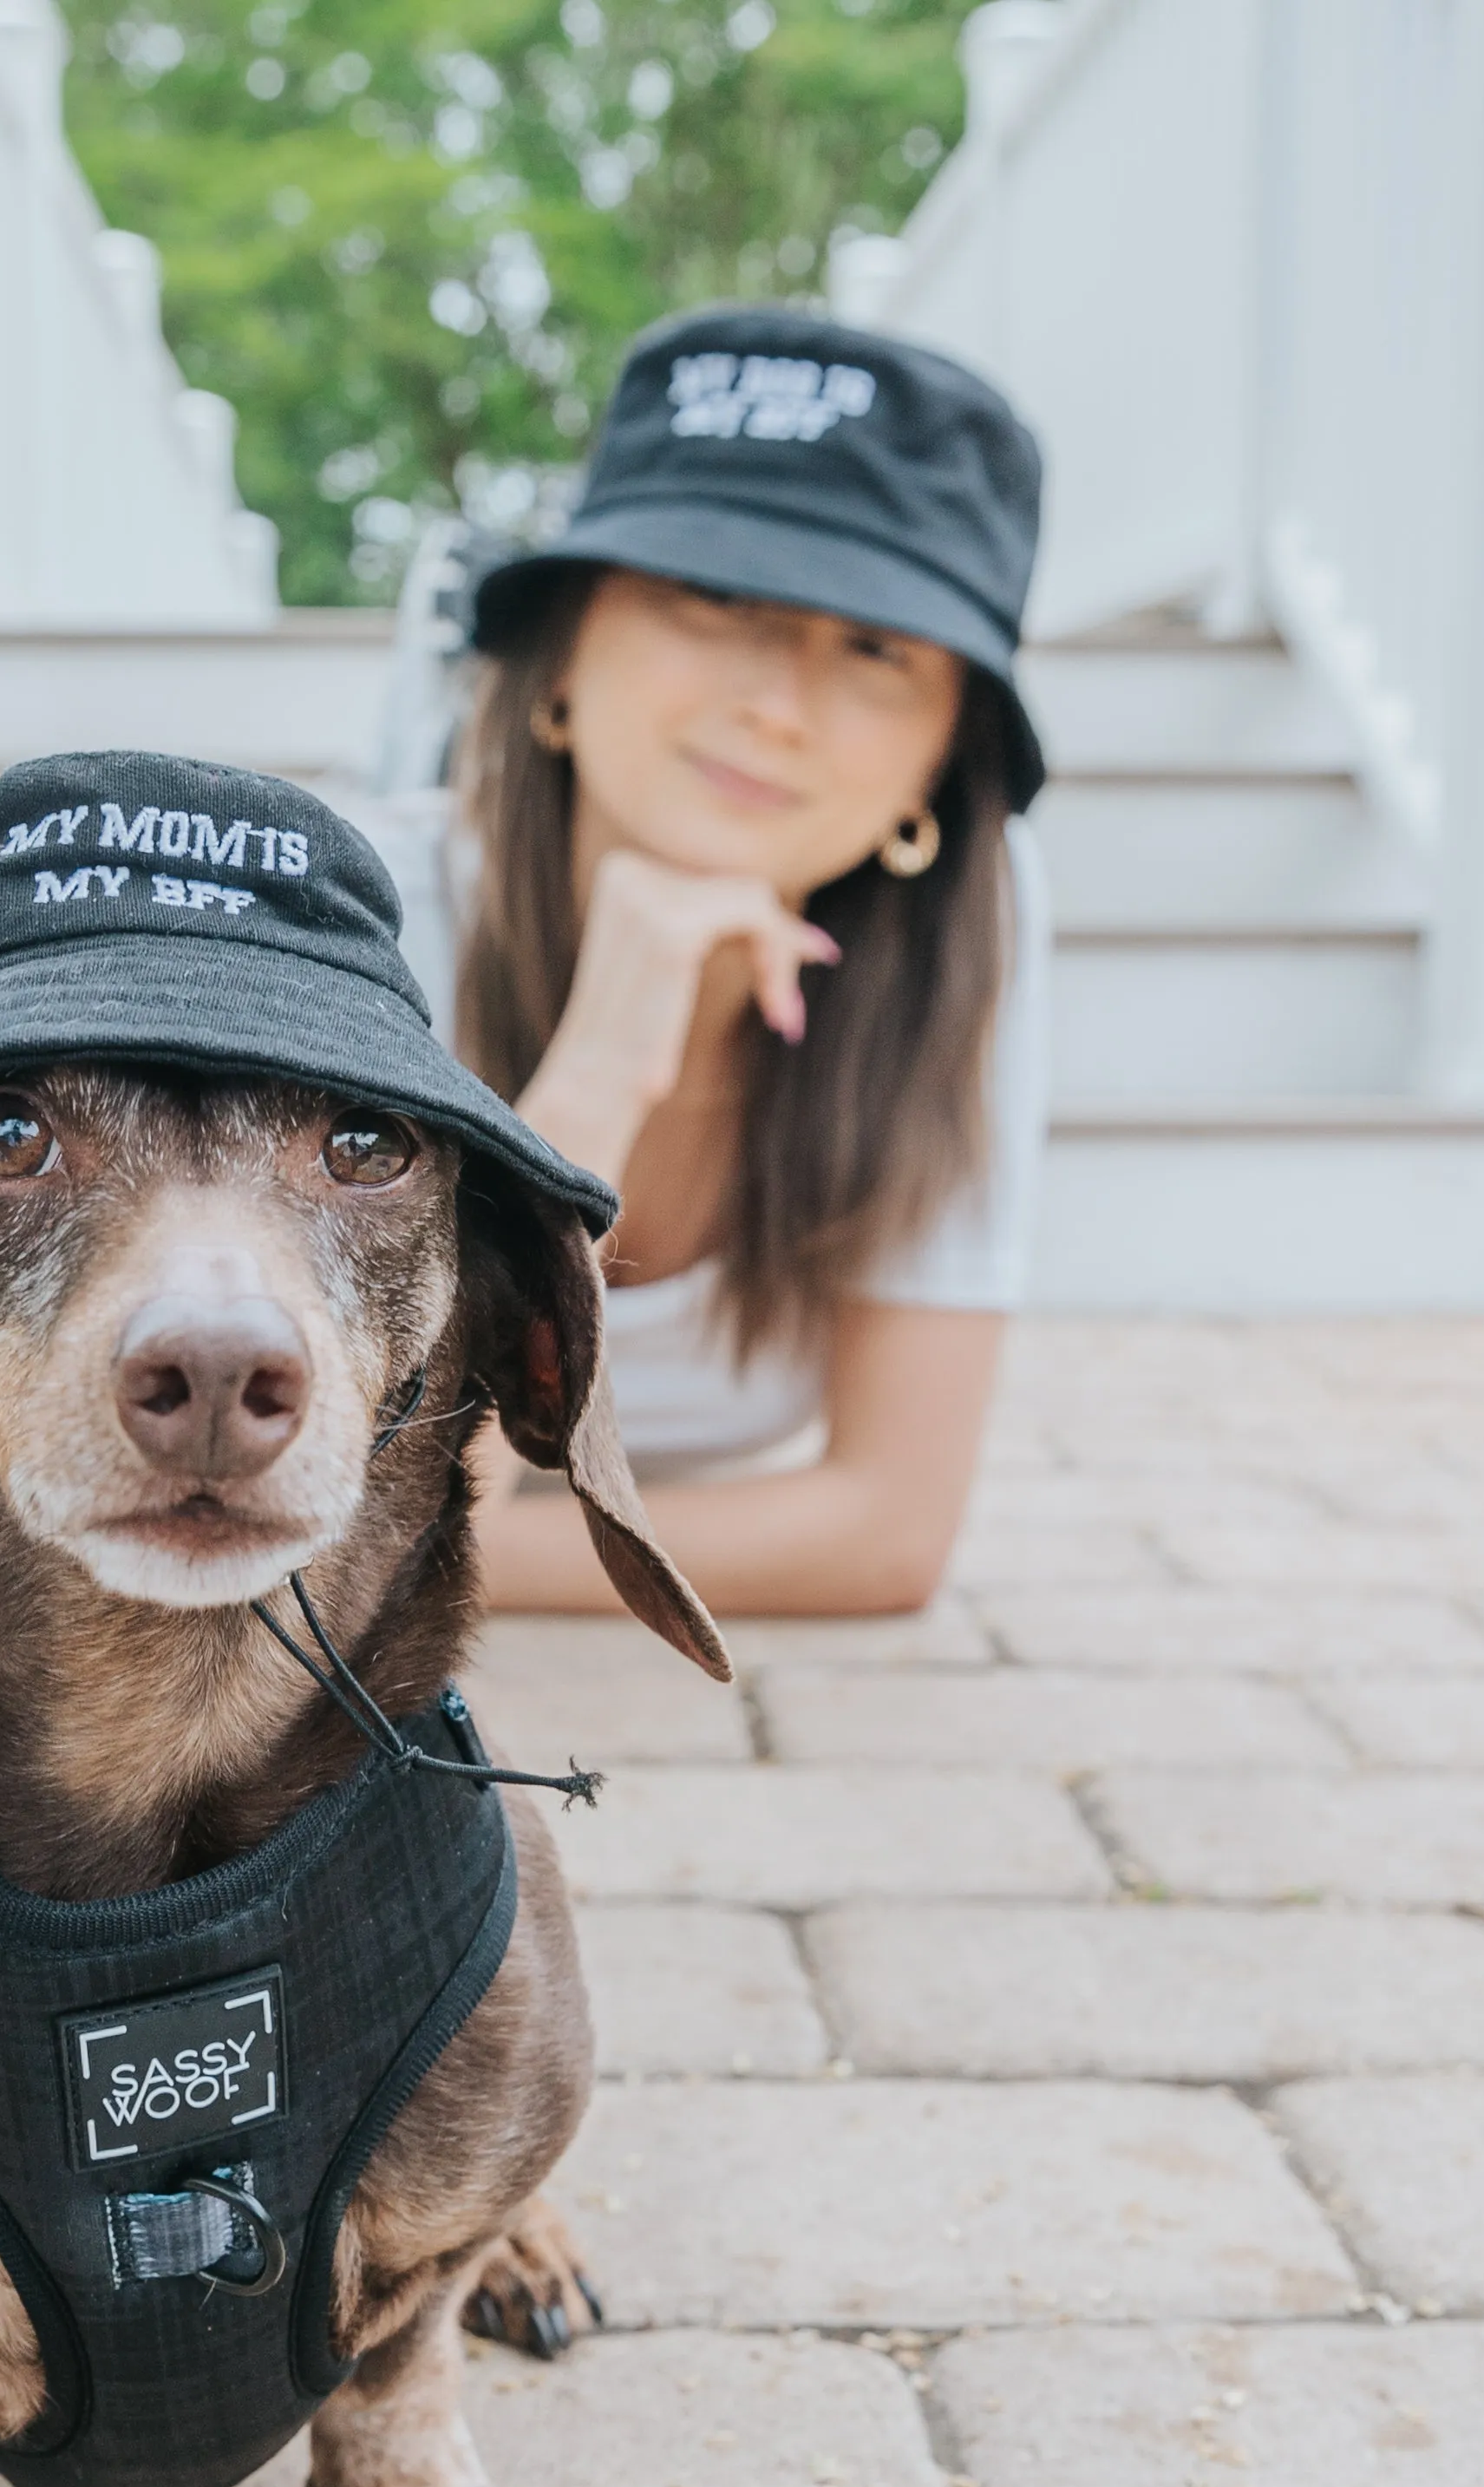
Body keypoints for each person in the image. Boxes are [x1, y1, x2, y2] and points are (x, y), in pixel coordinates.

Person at [386, 306, 1050, 1619]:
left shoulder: (966, 947)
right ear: (562, 656)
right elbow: (386, 1495)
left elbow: (887, 1531)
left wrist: (407, 1569)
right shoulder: (375, 921)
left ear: (940, 762)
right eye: (716, 597)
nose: (777, 704)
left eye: (874, 649)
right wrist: (594, 1081)